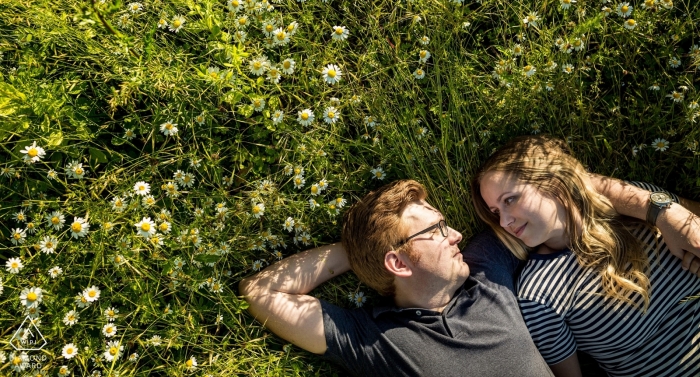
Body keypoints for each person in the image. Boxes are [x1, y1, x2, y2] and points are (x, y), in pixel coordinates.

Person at [240, 172, 700, 376]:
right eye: (437, 230)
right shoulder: (374, 341)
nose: (457, 232)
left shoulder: (486, 269)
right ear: (397, 262)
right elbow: (262, 291)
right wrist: (360, 250)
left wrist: (664, 213)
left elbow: (566, 187)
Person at [472, 135, 700, 377]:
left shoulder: (641, 209)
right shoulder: (538, 296)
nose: (504, 221)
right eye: (496, 212)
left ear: (552, 181)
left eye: (510, 200)